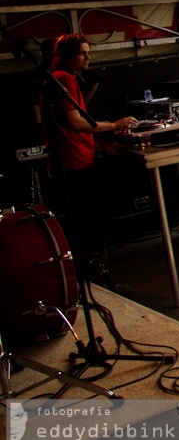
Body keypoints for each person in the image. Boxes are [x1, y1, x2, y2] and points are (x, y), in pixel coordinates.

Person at [44, 33, 137, 285]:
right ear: (66, 56)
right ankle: (93, 277)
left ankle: (92, 274)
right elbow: (75, 122)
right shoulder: (63, 80)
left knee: (88, 222)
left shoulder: (65, 80)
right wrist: (113, 125)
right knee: (89, 224)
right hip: (75, 162)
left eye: (88, 52)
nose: (88, 57)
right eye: (82, 53)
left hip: (76, 159)